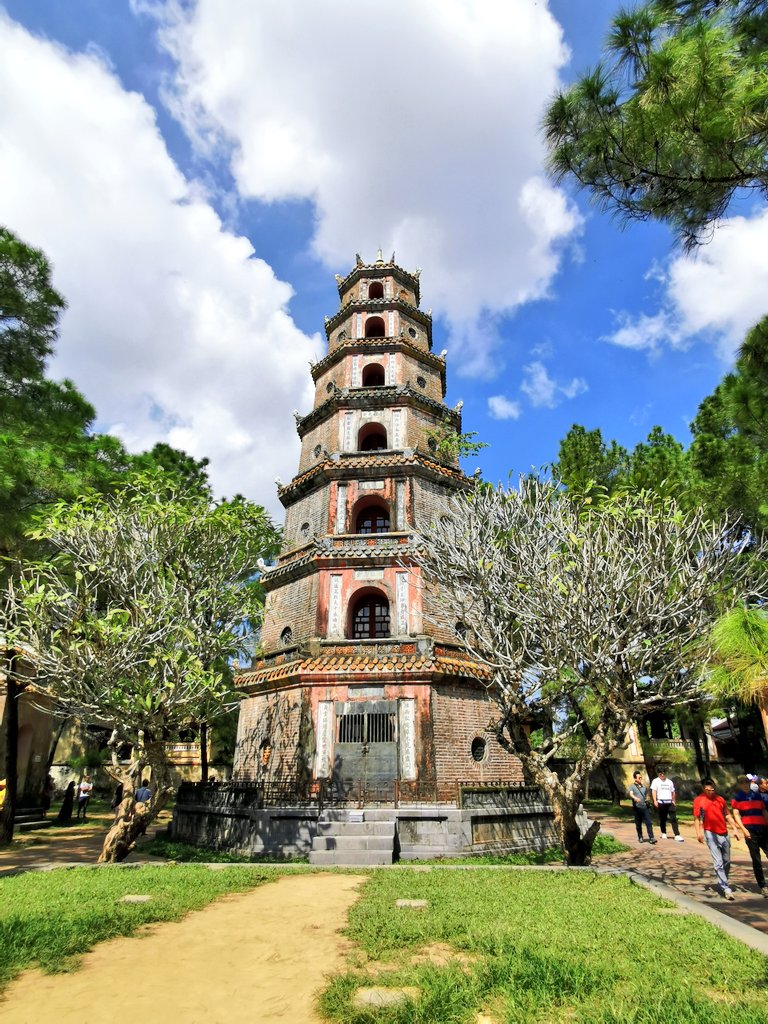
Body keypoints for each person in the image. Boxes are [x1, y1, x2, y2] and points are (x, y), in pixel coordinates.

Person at [693, 777, 740, 900]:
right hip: (710, 832)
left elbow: (728, 815)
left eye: (712, 786)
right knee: (718, 862)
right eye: (708, 787)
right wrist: (698, 833)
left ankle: (723, 880)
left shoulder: (720, 799)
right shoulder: (699, 800)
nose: (711, 789)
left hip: (724, 832)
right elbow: (697, 818)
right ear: (704, 788)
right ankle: (726, 888)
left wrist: (734, 828)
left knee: (727, 861)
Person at [731, 774, 768, 897]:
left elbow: (763, 810)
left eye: (746, 782)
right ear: (739, 784)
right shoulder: (738, 797)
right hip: (750, 830)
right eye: (742, 782)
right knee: (756, 859)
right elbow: (736, 814)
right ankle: (763, 886)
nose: (745, 784)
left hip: (762, 829)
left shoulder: (757, 795)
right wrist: (743, 830)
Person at [651, 768, 684, 841]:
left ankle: (677, 834)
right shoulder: (655, 781)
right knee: (663, 818)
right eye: (660, 774)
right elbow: (654, 791)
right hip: (661, 802)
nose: (662, 775)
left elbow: (673, 792)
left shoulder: (670, 782)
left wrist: (674, 801)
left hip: (669, 802)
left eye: (663, 773)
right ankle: (664, 833)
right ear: (658, 774)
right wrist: (655, 800)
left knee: (673, 818)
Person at [628, 771, 657, 844]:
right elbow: (631, 794)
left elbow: (646, 795)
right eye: (639, 777)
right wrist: (635, 798)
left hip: (644, 807)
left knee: (649, 822)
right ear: (635, 778)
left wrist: (648, 799)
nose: (640, 779)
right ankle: (640, 837)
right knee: (638, 824)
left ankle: (651, 838)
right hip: (637, 808)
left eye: (641, 777)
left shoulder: (644, 786)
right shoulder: (632, 786)